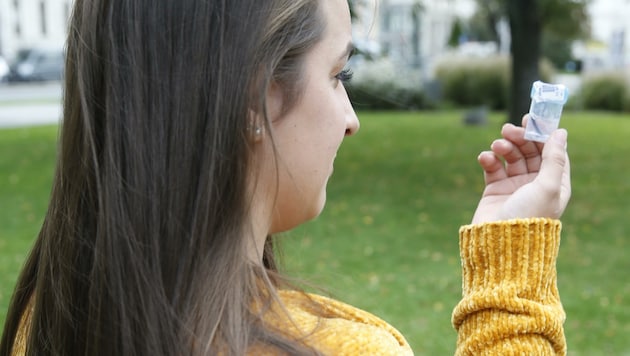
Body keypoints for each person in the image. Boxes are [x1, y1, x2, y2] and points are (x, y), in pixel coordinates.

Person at [0, 0, 570, 355]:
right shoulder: (342, 352)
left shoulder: (47, 323)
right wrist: (510, 286)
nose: (351, 120)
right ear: (256, 95)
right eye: (338, 72)